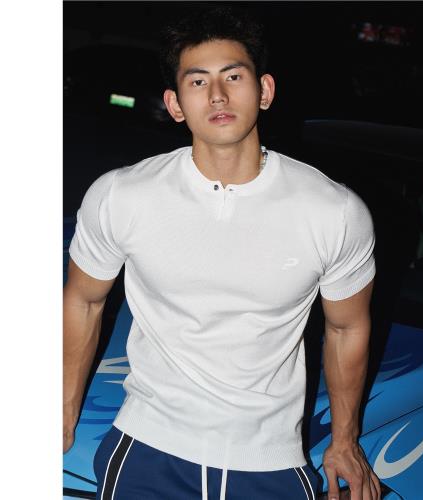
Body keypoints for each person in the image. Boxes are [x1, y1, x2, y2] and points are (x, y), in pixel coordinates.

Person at [63, 5, 381, 500]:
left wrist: (345, 440)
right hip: (147, 450)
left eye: (233, 76)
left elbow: (347, 328)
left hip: (271, 462)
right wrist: (63, 410)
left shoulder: (333, 211)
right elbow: (83, 299)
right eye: (197, 81)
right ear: (174, 104)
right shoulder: (122, 195)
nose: (217, 94)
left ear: (265, 90)